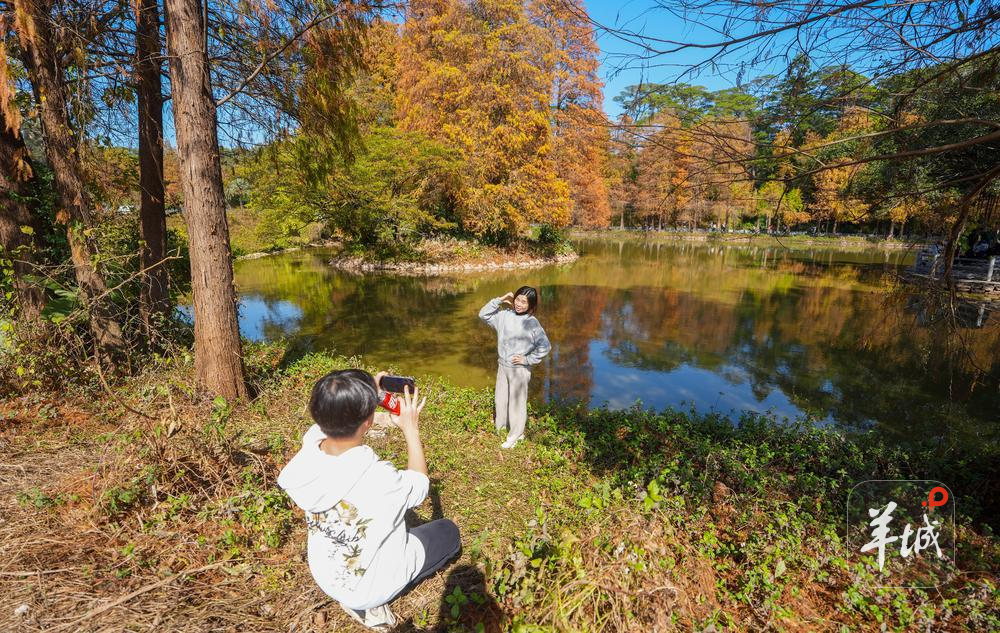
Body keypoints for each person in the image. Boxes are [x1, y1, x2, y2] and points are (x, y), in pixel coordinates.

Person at [278, 369, 461, 631]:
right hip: (367, 589)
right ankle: (370, 607)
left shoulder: (310, 445)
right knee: (448, 532)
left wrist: (366, 394)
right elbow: (420, 485)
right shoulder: (379, 478)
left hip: (326, 575)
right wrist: (410, 429)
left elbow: (341, 415)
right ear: (367, 422)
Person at [478, 286, 551, 449]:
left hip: (519, 369)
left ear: (530, 306)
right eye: (517, 299)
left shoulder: (532, 322)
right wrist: (499, 300)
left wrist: (528, 359)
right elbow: (483, 314)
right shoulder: (504, 316)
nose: (519, 304)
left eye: (524, 302)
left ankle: (516, 435)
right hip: (502, 365)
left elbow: (545, 346)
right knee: (501, 398)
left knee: (517, 402)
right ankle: (501, 428)